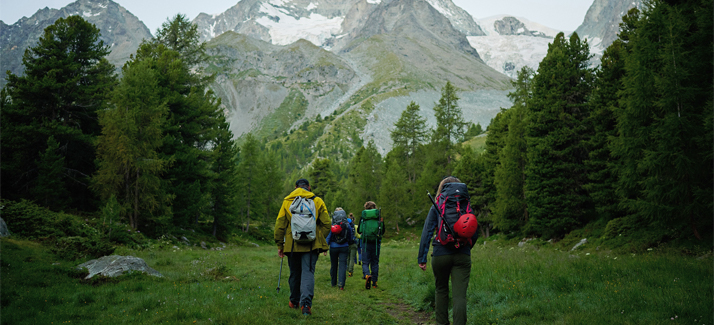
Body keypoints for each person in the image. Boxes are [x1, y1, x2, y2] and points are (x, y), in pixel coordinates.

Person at [417, 176, 479, 325]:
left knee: (441, 290)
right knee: (460, 296)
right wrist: (466, 247)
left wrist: (422, 258)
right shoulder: (465, 204)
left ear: (442, 188)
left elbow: (427, 231)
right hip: (462, 254)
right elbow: (474, 230)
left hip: (440, 254)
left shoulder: (438, 204)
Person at [274, 178, 330, 316]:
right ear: (309, 187)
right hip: (311, 246)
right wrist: (317, 238)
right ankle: (306, 306)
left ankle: (294, 301)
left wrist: (280, 244)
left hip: (292, 245)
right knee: (308, 273)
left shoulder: (287, 201)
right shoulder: (317, 201)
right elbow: (327, 224)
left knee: (294, 274)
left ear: (295, 187)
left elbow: (280, 225)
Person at [358, 201, 385, 289]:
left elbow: (359, 230)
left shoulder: (364, 216)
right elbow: (382, 231)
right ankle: (374, 282)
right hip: (376, 243)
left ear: (366, 207)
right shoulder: (378, 216)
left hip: (366, 242)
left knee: (365, 262)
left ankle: (367, 275)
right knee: (375, 263)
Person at [325, 208, 353, 290]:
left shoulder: (333, 224)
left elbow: (328, 237)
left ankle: (333, 283)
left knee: (334, 265)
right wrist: (349, 242)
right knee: (342, 265)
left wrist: (326, 247)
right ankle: (341, 285)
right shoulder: (347, 225)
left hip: (333, 247)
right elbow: (351, 236)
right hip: (344, 247)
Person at [347, 213, 360, 277]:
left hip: (347, 244)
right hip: (354, 244)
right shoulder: (356, 227)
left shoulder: (346, 226)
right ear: (354, 220)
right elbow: (358, 235)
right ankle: (350, 271)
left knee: (348, 257)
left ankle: (346, 269)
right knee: (352, 258)